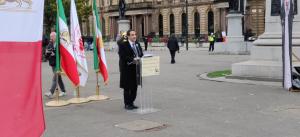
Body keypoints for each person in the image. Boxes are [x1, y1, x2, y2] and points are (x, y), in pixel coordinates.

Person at [118, 30, 144, 110]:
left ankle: (132, 102)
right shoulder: (123, 45)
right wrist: (132, 59)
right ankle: (127, 104)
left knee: (134, 87)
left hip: (136, 69)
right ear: (128, 36)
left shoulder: (137, 44)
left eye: (135, 34)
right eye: (132, 35)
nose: (134, 36)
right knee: (127, 87)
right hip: (127, 69)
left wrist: (140, 57)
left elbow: (140, 53)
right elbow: (122, 56)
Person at [44, 32, 67, 98]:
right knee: (58, 78)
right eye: (50, 36)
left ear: (56, 37)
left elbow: (61, 53)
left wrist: (54, 54)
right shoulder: (50, 43)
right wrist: (47, 53)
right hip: (53, 63)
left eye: (52, 36)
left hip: (58, 63)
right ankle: (63, 91)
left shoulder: (59, 44)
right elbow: (47, 55)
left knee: (55, 78)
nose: (51, 38)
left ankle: (51, 92)